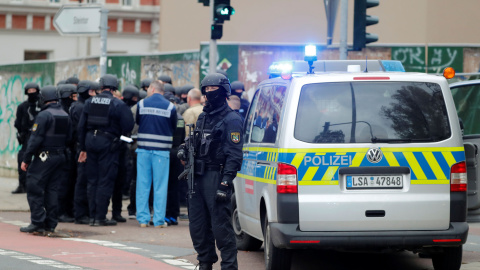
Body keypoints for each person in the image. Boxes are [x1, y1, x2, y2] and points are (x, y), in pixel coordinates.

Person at [180, 73, 243, 270]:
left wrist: (225, 183)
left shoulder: (232, 119)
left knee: (221, 229)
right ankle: (204, 263)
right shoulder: (204, 117)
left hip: (216, 177)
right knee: (198, 227)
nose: (208, 93)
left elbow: (234, 156)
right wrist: (184, 147)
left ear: (223, 91)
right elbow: (195, 140)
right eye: (206, 90)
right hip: (197, 176)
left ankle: (229, 267)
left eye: (213, 89)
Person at [77, 74, 134, 226]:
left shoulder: (89, 102)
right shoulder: (118, 104)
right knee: (105, 180)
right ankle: (100, 217)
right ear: (115, 87)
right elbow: (128, 125)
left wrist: (83, 148)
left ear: (100, 86)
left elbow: (81, 127)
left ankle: (92, 216)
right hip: (108, 143)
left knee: (92, 180)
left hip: (90, 141)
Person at [20, 86, 71, 234]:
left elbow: (35, 139)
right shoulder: (64, 114)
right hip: (60, 156)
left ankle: (37, 222)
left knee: (34, 185)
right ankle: (51, 223)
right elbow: (69, 138)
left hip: (45, 156)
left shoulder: (44, 115)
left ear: (44, 98)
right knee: (52, 190)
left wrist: (26, 158)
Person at [136, 80, 177, 228]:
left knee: (143, 184)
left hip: (143, 149)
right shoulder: (171, 107)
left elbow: (138, 121)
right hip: (162, 152)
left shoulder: (141, 104)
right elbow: (173, 127)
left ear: (152, 89)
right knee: (160, 186)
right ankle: (159, 220)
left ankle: (142, 219)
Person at [70, 80, 96, 225]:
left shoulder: (79, 105)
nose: (94, 94)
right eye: (92, 91)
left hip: (81, 147)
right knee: (82, 182)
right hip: (82, 148)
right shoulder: (81, 107)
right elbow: (82, 129)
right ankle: (80, 214)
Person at [13, 82, 41, 194]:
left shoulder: (41, 105)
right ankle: (22, 185)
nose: (32, 93)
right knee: (22, 159)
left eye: (34, 90)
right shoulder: (22, 107)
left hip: (40, 136)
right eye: (29, 91)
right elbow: (18, 123)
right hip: (27, 137)